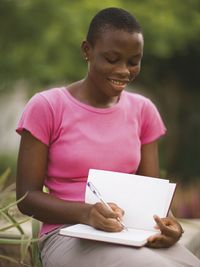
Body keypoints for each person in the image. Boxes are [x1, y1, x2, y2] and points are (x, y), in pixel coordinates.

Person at [16, 7, 200, 267]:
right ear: (87, 50)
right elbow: (27, 197)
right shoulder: (48, 106)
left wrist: (169, 227)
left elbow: (150, 194)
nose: (124, 70)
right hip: (68, 234)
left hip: (133, 234)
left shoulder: (143, 110)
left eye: (133, 61)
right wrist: (87, 213)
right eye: (112, 59)